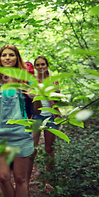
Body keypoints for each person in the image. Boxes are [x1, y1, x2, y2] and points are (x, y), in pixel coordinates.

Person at [0, 44, 34, 197]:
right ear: (0, 58)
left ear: (17, 58)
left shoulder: (26, 80)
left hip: (21, 133)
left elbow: (37, 111)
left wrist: (34, 97)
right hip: (0, 134)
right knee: (3, 177)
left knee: (20, 179)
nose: (7, 58)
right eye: (4, 55)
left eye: (11, 55)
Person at [32, 55, 60, 184]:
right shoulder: (32, 81)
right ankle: (27, 177)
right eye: (38, 65)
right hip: (36, 116)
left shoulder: (53, 80)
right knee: (32, 147)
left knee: (49, 149)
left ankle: (49, 180)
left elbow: (58, 100)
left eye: (43, 64)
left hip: (51, 117)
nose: (40, 67)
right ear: (35, 67)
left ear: (47, 65)